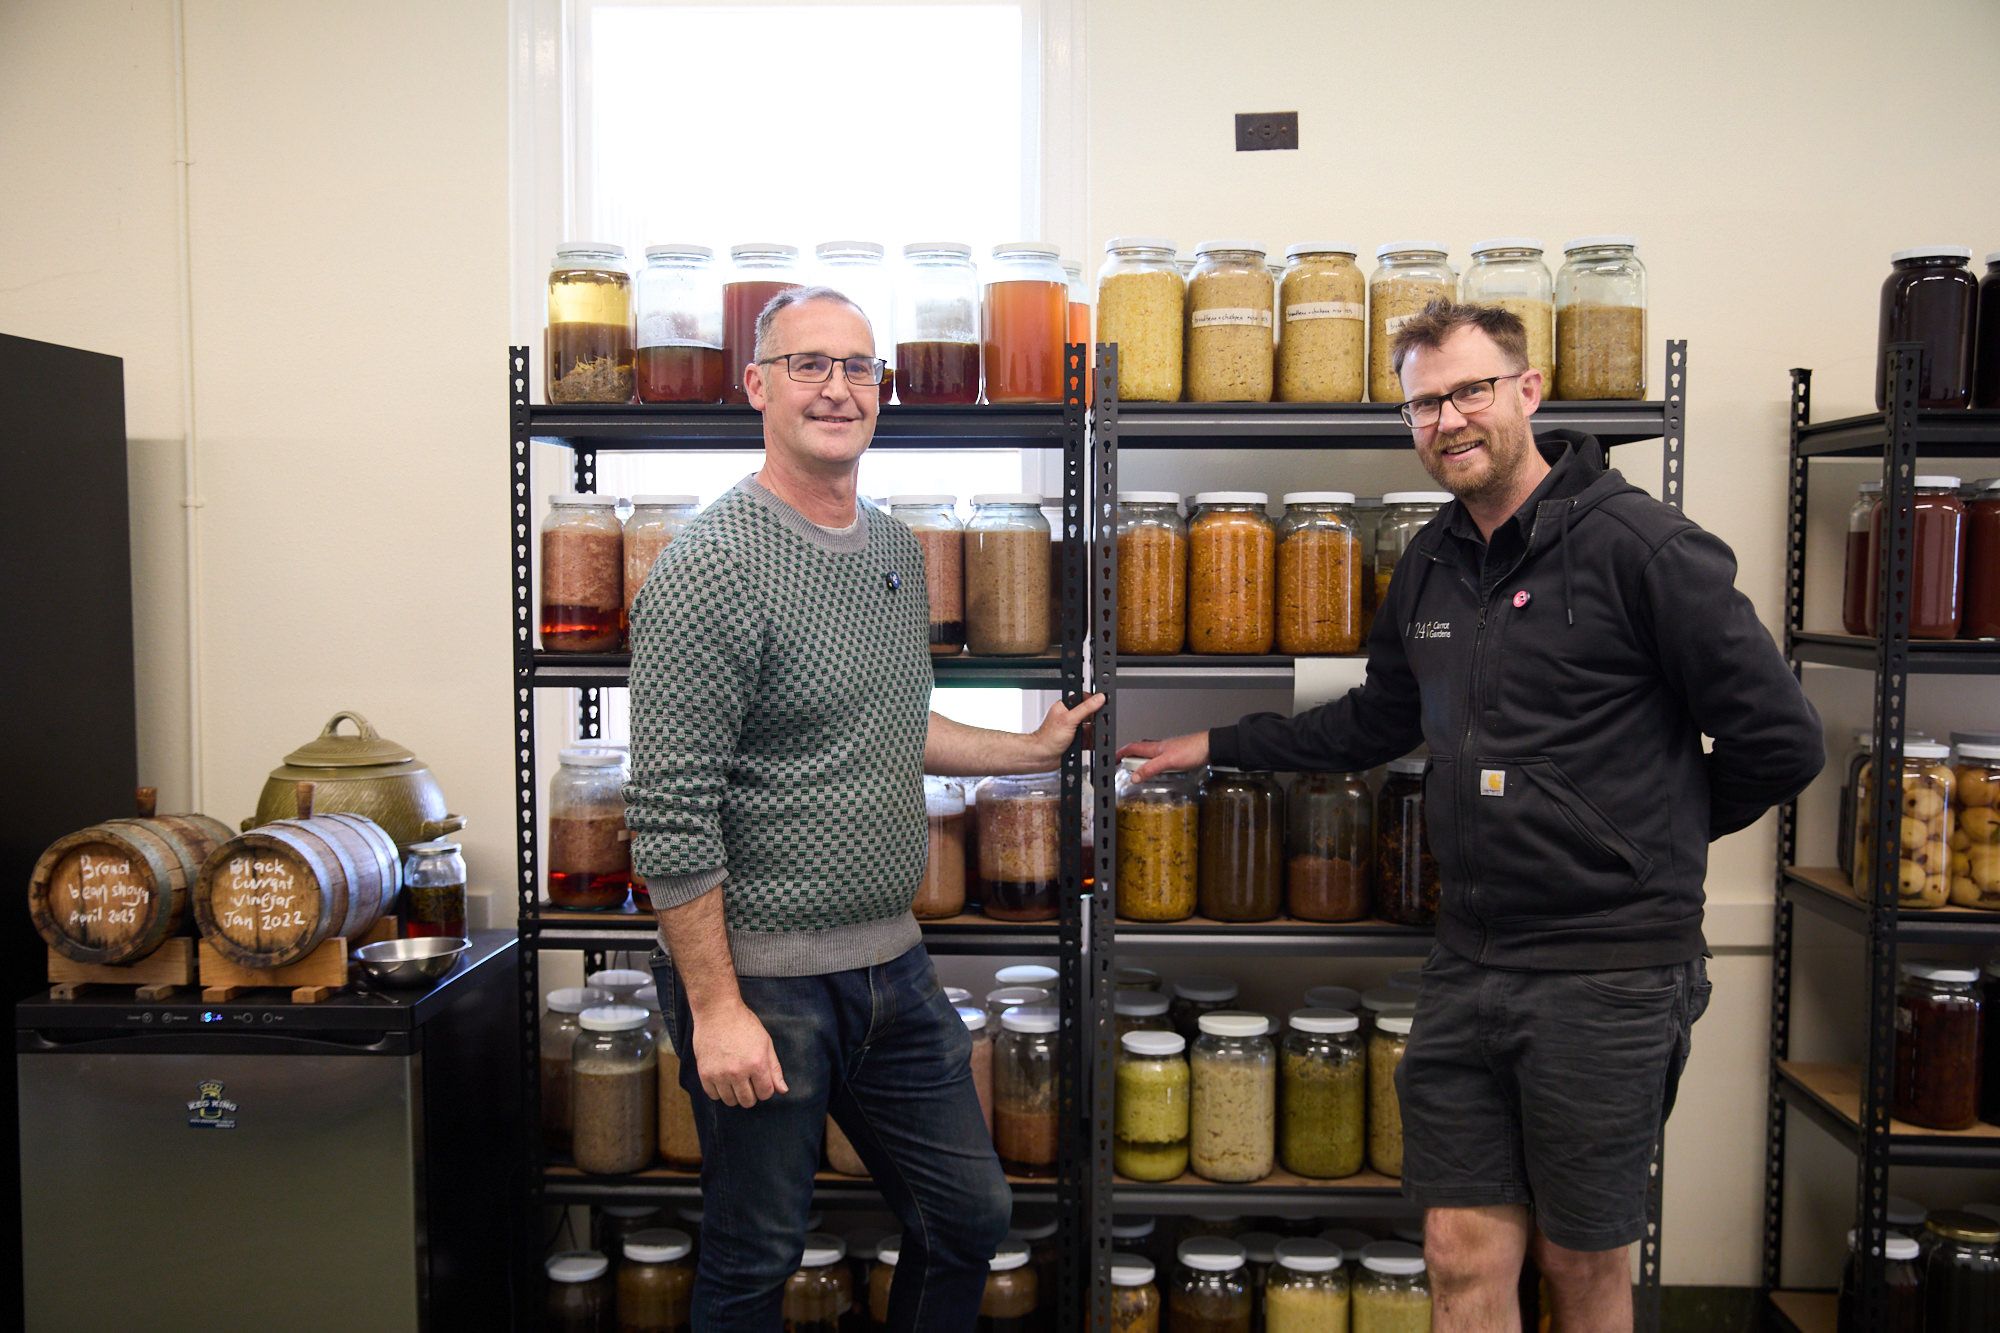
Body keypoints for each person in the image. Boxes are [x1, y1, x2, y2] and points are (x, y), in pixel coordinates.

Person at [1122, 300, 1822, 1332]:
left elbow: (1782, 741)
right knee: (1455, 1251)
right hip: (1467, 961)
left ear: (1526, 390)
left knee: (1579, 1266)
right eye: (1420, 404)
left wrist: (1636, 840)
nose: (1446, 420)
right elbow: (1376, 720)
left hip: (1608, 970)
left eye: (1468, 391)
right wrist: (1220, 744)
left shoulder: (1645, 548)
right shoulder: (1431, 561)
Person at [626, 285, 1101, 1330]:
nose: (837, 389)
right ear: (757, 385)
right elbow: (668, 816)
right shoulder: (710, 567)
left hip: (890, 968)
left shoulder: (891, 549)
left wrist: (1027, 746)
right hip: (763, 982)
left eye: (857, 367)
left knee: (968, 1213)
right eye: (809, 365)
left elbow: (891, 720)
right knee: (755, 1251)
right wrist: (714, 1009)